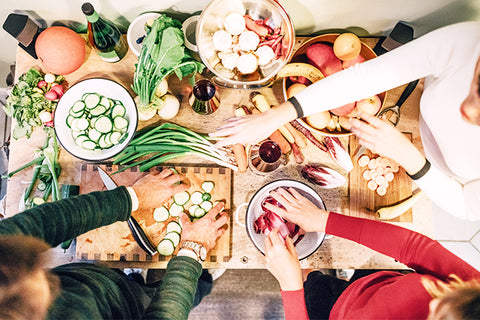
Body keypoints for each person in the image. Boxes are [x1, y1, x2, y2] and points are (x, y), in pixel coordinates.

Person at [211, 21, 480, 220]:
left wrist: (407, 155)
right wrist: (274, 116)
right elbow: (364, 79)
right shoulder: (470, 41)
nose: (465, 111)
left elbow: (468, 206)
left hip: (435, 178)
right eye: (474, 88)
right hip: (413, 115)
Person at [0, 168, 229, 320]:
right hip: (125, 311)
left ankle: (132, 277)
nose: (46, 275)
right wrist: (192, 251)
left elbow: (43, 222)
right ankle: (203, 279)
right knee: (163, 295)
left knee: (127, 281)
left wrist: (132, 197)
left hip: (91, 279)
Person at [263, 187, 480, 320]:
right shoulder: (475, 294)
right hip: (377, 285)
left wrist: (291, 287)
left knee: (314, 290)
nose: (432, 301)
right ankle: (312, 276)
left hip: (334, 313)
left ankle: (309, 279)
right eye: (447, 296)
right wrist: (323, 220)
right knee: (317, 280)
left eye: (436, 315)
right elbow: (413, 248)